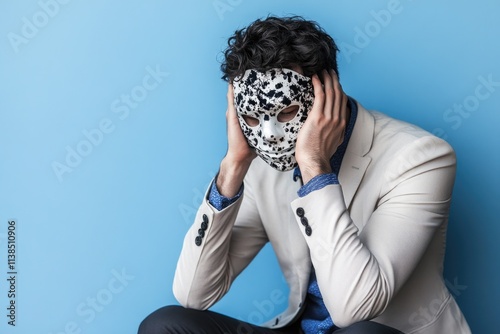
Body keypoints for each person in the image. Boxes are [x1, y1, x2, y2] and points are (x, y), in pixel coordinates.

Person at [139, 16, 471, 334]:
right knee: (164, 325)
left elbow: (354, 309)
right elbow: (194, 295)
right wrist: (232, 167)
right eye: (253, 119)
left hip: (383, 330)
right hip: (302, 329)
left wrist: (314, 167)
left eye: (286, 112)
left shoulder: (421, 157)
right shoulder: (262, 166)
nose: (269, 134)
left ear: (329, 93)